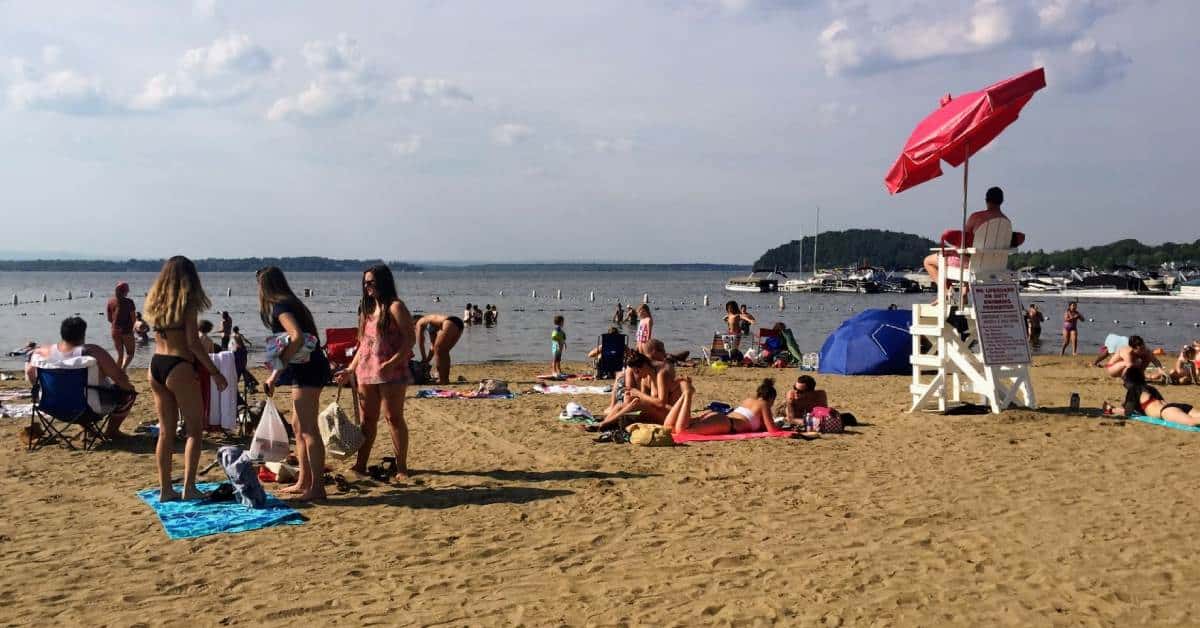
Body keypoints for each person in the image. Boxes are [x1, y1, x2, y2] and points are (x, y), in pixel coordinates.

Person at [144, 256, 228, 502]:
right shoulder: (187, 304)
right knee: (195, 431)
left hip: (156, 365)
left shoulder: (156, 304)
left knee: (166, 432)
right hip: (179, 366)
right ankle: (189, 487)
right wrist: (215, 371)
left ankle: (165, 489)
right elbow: (192, 343)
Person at [335, 264, 415, 483]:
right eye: (365, 283)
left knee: (393, 418)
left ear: (383, 282)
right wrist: (350, 369)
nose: (367, 286)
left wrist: (392, 361)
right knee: (367, 421)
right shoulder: (367, 310)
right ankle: (360, 465)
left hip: (392, 372)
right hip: (366, 371)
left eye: (371, 282)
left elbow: (410, 339)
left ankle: (402, 468)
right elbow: (363, 345)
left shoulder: (395, 307)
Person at [257, 266, 331, 501]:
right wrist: (274, 377)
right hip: (310, 368)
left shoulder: (281, 307)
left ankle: (317, 488)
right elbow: (290, 344)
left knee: (308, 430)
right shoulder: (293, 304)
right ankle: (304, 481)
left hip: (308, 370)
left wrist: (280, 363)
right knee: (299, 428)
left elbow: (296, 337)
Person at [25, 317, 137, 439]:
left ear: (62, 333)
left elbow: (30, 373)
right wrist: (129, 387)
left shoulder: (42, 352)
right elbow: (119, 378)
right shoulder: (92, 351)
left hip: (52, 407)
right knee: (128, 393)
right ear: (83, 334)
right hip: (88, 409)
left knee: (73, 390)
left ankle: (87, 429)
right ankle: (112, 431)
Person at [922, 186, 1011, 300]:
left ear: (986, 200)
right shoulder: (1006, 222)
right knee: (967, 256)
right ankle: (963, 294)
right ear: (1002, 201)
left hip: (971, 264)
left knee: (928, 261)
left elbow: (964, 241)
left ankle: (945, 292)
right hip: (994, 266)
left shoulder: (977, 217)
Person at [592, 345, 681, 431]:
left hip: (671, 414)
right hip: (657, 412)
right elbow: (644, 399)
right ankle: (605, 422)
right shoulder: (645, 379)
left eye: (636, 372)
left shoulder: (661, 374)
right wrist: (631, 396)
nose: (637, 375)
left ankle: (604, 424)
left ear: (643, 366)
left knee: (635, 405)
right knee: (622, 405)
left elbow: (662, 403)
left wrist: (637, 394)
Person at [663, 377, 785, 436]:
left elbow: (755, 422)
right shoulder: (764, 404)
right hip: (726, 424)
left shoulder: (748, 400)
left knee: (669, 428)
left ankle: (684, 396)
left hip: (719, 417)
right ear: (771, 398)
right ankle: (688, 394)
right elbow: (772, 430)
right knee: (683, 431)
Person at [1109, 367, 1200, 426]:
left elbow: (1127, 413)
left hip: (1166, 411)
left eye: (1125, 380)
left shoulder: (1133, 390)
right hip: (1174, 406)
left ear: (1130, 381)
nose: (1124, 383)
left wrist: (1111, 409)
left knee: (1192, 422)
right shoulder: (1150, 388)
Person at [415, 313, 464, 385]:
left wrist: (423, 358)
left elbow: (420, 341)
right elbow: (433, 346)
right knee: (443, 351)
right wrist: (427, 360)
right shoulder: (431, 323)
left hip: (448, 322)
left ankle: (442, 379)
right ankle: (445, 379)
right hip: (458, 323)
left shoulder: (420, 322)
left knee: (439, 351)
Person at [106, 282, 136, 370]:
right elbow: (133, 319)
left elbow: (109, 319)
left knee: (120, 355)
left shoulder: (110, 301)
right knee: (130, 354)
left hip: (114, 331)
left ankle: (116, 375)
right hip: (126, 331)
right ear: (126, 291)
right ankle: (123, 369)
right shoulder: (129, 302)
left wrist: (116, 325)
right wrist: (133, 329)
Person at [229, 326, 259, 391]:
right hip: (243, 350)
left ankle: (240, 382)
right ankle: (249, 383)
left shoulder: (233, 335)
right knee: (242, 367)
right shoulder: (240, 334)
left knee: (239, 368)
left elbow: (235, 344)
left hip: (239, 351)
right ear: (238, 330)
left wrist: (233, 349)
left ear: (233, 330)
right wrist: (249, 343)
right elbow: (244, 340)